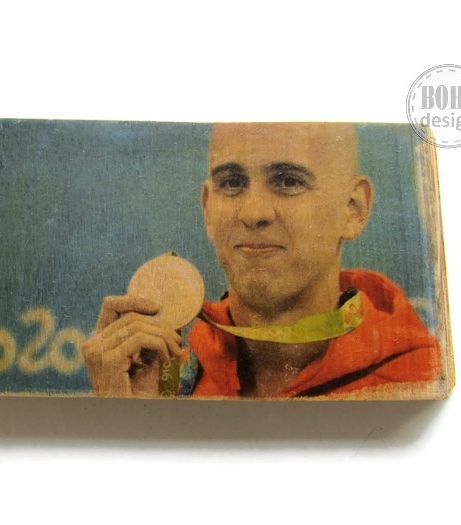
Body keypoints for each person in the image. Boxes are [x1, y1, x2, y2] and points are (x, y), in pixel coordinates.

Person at [82, 123, 440, 398]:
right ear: (207, 209)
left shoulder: (419, 380)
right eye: (231, 183)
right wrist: (127, 419)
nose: (253, 213)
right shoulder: (162, 384)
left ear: (353, 208)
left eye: (289, 182)